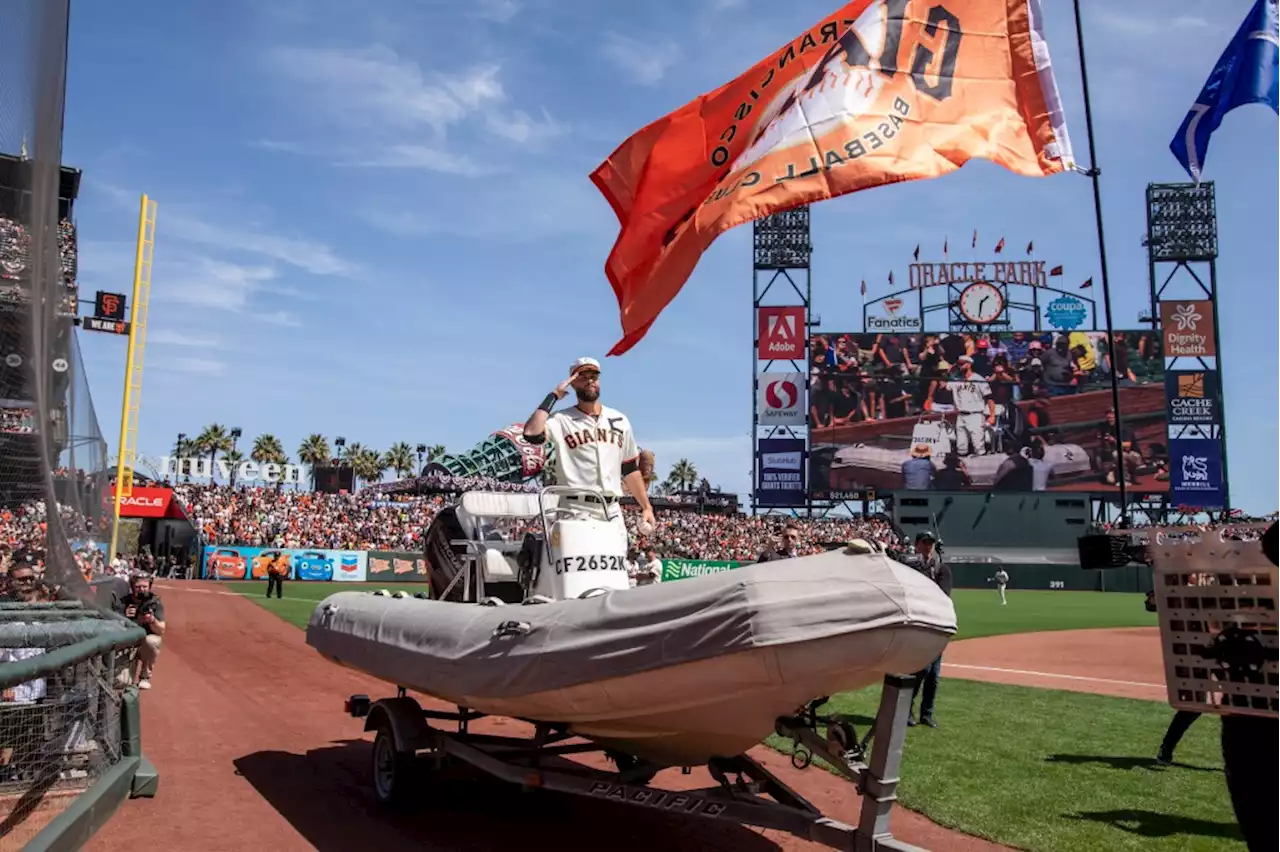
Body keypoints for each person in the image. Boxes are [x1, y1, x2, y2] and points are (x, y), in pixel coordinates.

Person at [522, 356, 656, 554]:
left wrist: (646, 506)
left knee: (614, 579)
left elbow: (629, 469)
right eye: (583, 376)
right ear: (573, 382)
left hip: (611, 511)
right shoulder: (561, 420)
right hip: (575, 510)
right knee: (577, 577)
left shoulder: (619, 420)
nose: (590, 380)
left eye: (594, 376)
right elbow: (532, 433)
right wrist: (553, 396)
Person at [908, 531, 951, 728]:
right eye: (924, 543)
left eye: (930, 543)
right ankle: (907, 709)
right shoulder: (911, 566)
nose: (928, 546)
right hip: (920, 624)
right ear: (917, 545)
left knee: (933, 675)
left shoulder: (941, 568)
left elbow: (943, 595)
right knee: (921, 670)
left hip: (937, 624)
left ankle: (927, 713)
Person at [112, 574, 166, 690]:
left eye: (145, 586)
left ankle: (145, 677)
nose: (142, 589)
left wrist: (152, 620)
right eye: (138, 587)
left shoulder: (154, 602)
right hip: (126, 645)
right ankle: (128, 673)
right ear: (132, 587)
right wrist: (124, 617)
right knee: (122, 682)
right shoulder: (123, 602)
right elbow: (112, 624)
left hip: (144, 644)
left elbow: (161, 629)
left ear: (149, 587)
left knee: (152, 641)